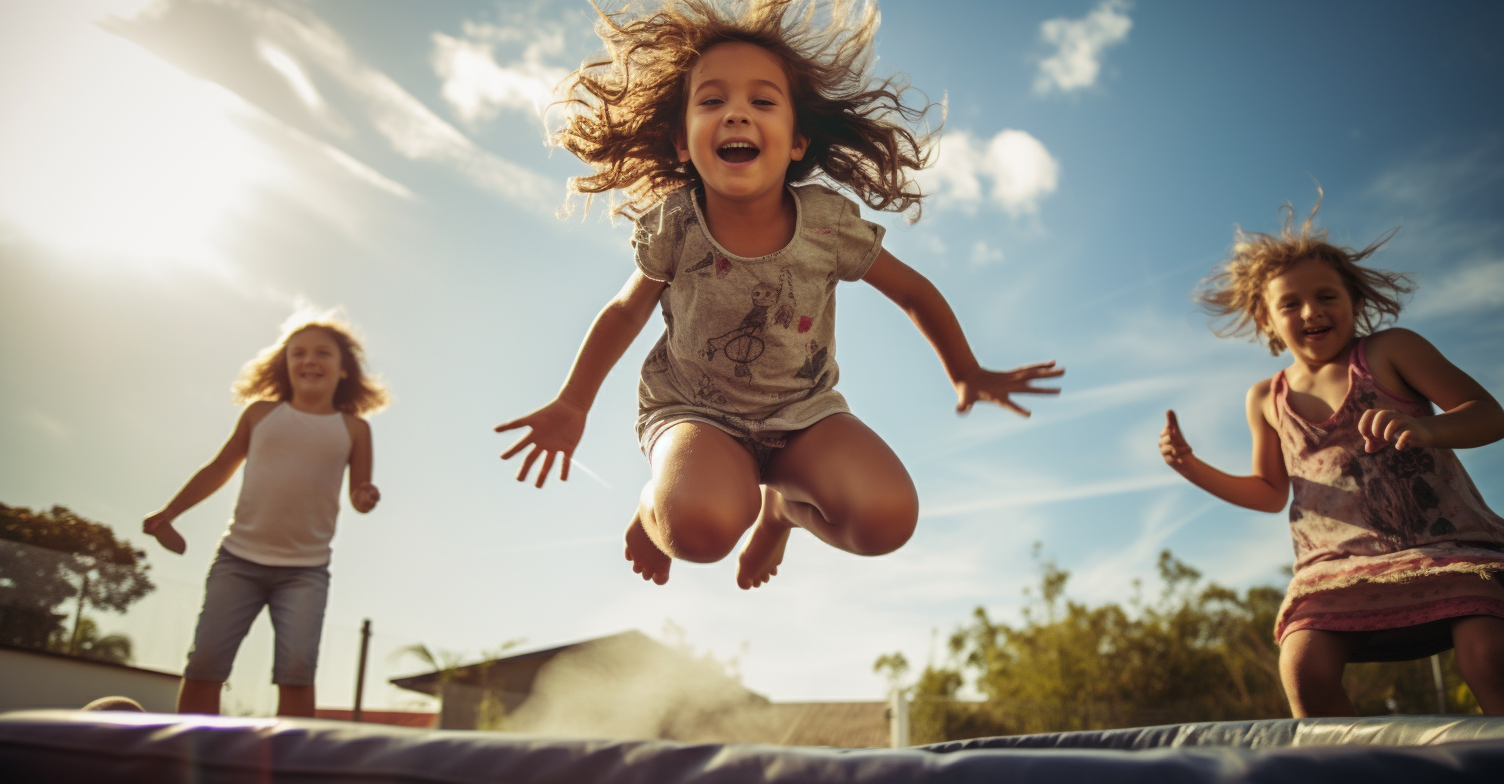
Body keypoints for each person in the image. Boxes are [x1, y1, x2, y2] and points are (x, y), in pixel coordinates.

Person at [496, 0, 1062, 590]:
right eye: (712, 101)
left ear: (796, 142)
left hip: (803, 416)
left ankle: (784, 510)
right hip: (696, 411)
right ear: (683, 142)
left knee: (886, 521)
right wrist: (573, 403)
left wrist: (965, 370)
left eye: (762, 102)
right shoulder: (677, 224)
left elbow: (914, 291)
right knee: (702, 530)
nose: (737, 114)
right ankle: (652, 508)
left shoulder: (827, 225)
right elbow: (625, 309)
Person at [1158, 193, 1504, 716]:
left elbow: (1489, 414)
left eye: (1326, 296)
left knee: (1488, 654)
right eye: (1290, 304)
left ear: (1356, 303)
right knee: (1302, 669)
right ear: (1267, 319)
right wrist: (1192, 467)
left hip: (1447, 547)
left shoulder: (1390, 351)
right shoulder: (1265, 398)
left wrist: (1428, 429)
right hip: (1338, 570)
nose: (1311, 311)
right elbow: (1271, 493)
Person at [143, 315, 387, 717]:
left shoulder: (354, 429)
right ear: (285, 365)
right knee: (205, 664)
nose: (310, 360)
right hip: (237, 562)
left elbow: (359, 495)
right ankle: (192, 761)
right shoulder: (260, 415)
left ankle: (289, 766)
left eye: (323, 353)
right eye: (299, 353)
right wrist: (170, 512)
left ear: (344, 369)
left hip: (305, 573)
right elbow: (218, 469)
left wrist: (366, 495)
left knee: (296, 672)